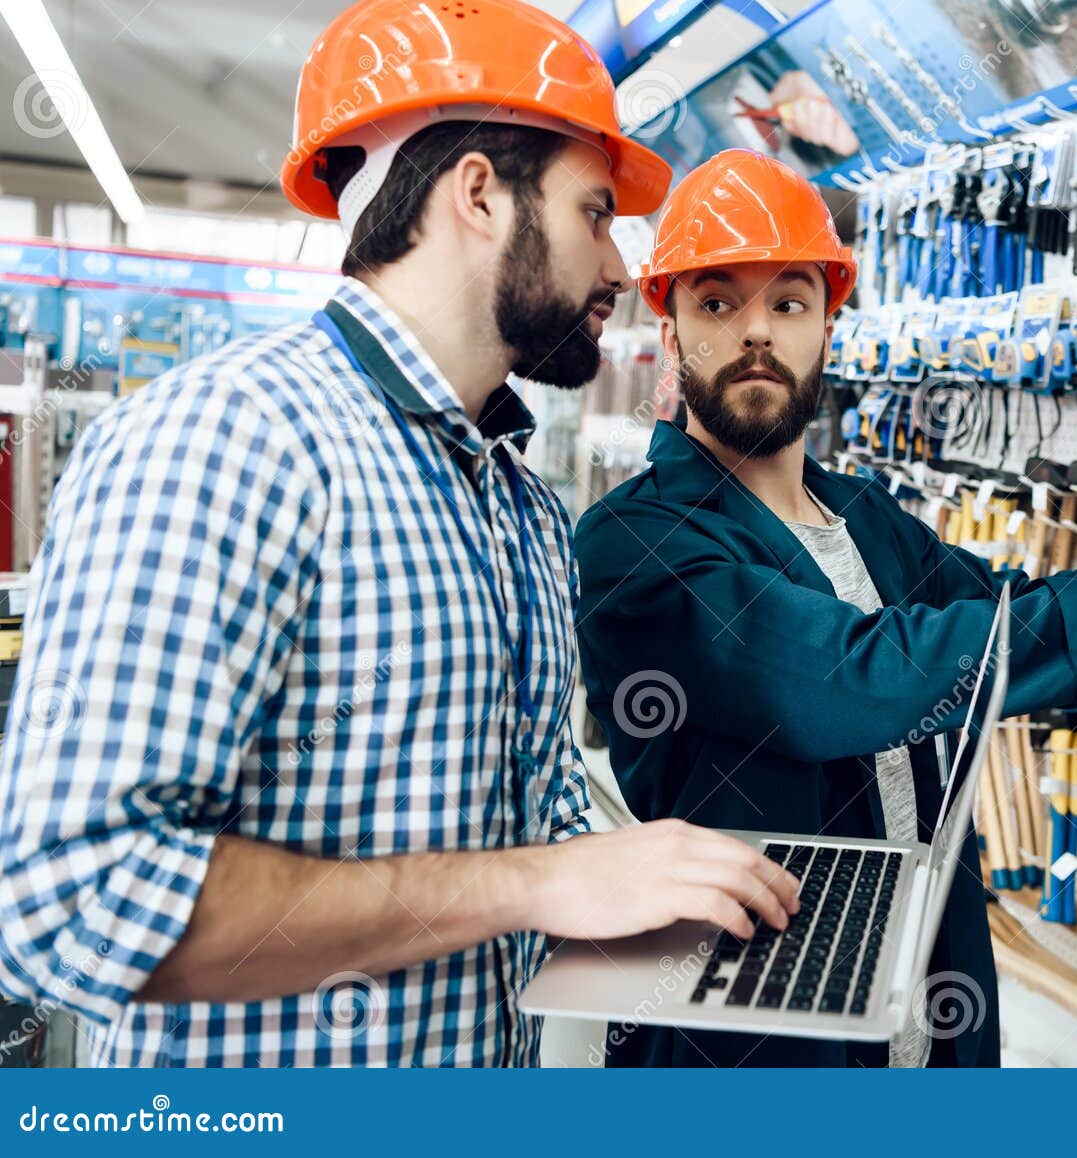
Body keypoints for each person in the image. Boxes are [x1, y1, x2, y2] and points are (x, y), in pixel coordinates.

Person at [0, 3, 798, 1068]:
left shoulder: (514, 504)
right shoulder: (228, 441)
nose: (618, 268)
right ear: (479, 193)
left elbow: (520, 819)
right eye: (595, 214)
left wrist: (649, 880)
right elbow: (74, 904)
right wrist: (531, 882)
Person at [573, 149, 1077, 1068]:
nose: (756, 333)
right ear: (669, 331)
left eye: (788, 302)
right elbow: (843, 678)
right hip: (753, 1028)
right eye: (716, 303)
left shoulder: (866, 517)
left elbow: (1000, 623)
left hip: (925, 999)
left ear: (829, 325)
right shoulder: (635, 541)